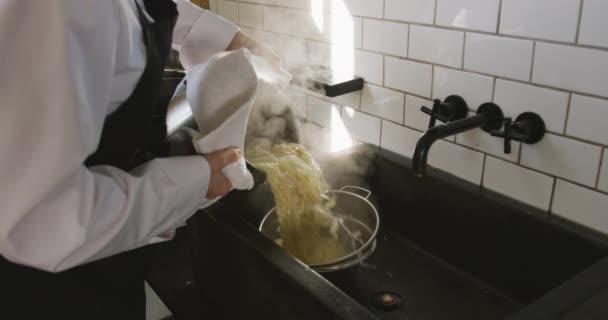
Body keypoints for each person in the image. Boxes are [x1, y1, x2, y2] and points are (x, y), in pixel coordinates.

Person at [0, 0, 279, 319]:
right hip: (52, 293)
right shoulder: (58, 9)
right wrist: (193, 184)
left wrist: (213, 35)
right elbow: (36, 222)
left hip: (108, 268)